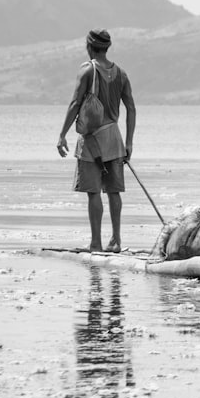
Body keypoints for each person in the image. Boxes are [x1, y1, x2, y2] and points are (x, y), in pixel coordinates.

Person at [57, 29, 136, 253]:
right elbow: (131, 108)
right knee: (114, 191)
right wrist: (129, 142)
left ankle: (96, 243)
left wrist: (62, 134)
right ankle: (117, 240)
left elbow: (75, 104)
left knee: (93, 193)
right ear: (107, 47)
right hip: (114, 138)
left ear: (89, 46)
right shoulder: (120, 73)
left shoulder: (87, 70)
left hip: (92, 140)